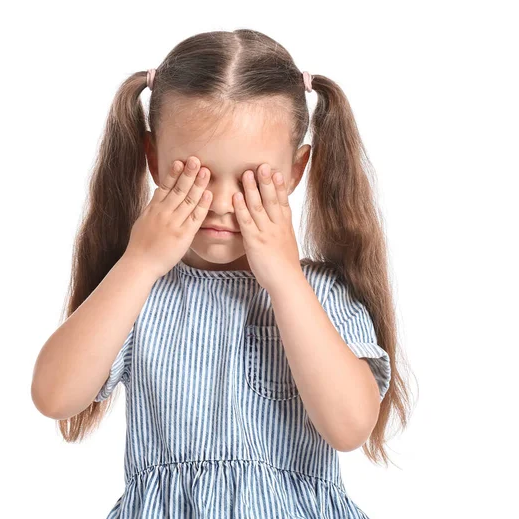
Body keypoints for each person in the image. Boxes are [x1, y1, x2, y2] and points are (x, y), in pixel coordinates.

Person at [32, 28, 412, 518]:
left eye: (252, 177)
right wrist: (140, 262)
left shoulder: (320, 293)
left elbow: (350, 426)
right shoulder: (137, 292)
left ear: (296, 170)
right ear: (153, 159)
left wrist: (283, 279)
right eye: (196, 173)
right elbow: (54, 395)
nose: (218, 202)